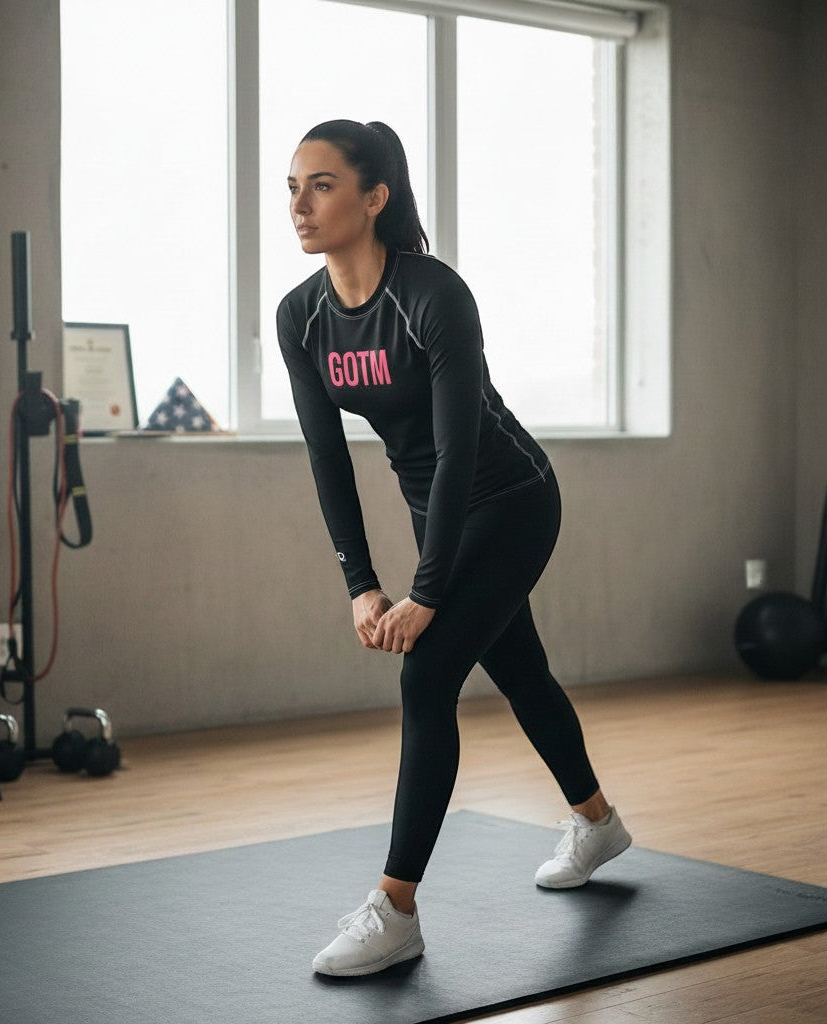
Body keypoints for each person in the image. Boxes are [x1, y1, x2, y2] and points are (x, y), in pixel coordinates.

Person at [277, 119, 632, 979]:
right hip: (434, 511)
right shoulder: (304, 317)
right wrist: (361, 584)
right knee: (519, 671)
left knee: (426, 675)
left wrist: (425, 591)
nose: (299, 204)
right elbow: (329, 458)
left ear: (374, 196)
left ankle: (395, 908)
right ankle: (596, 822)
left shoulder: (434, 295)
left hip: (510, 500)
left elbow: (464, 448)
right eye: (292, 186)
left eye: (321, 185)